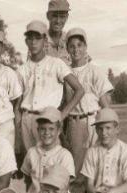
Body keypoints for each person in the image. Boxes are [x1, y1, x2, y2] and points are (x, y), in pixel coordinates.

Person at [17, 20, 84, 151]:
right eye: (30, 38)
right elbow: (18, 104)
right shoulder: (22, 70)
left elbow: (79, 90)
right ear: (26, 42)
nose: (33, 42)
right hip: (27, 119)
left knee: (51, 162)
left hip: (48, 119)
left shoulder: (56, 63)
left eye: (37, 38)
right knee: (31, 162)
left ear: (45, 40)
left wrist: (61, 115)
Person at [64, 28, 113, 193]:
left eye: (79, 45)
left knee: (98, 165)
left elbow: (105, 102)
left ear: (85, 47)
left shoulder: (94, 70)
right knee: (77, 168)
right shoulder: (66, 73)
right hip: (75, 122)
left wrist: (109, 125)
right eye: (72, 46)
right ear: (68, 49)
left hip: (94, 120)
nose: (76, 49)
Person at [20, 107, 75, 193]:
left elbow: (65, 186)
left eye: (51, 129)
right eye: (43, 129)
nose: (46, 133)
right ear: (37, 130)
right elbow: (28, 179)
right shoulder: (31, 153)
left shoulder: (64, 155)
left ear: (59, 131)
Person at [44, 0, 71, 64]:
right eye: (54, 16)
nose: (58, 21)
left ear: (67, 17)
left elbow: (84, 67)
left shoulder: (71, 39)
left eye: (62, 17)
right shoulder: (38, 41)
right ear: (48, 16)